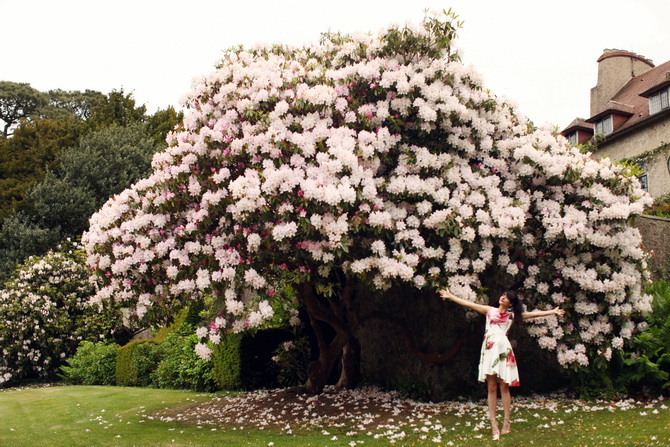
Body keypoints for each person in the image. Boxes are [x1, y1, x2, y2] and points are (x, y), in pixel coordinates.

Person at [439, 288, 565, 440]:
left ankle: (506, 422)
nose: (503, 298)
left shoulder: (512, 316)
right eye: (503, 295)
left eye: (507, 297)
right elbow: (469, 304)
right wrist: (450, 295)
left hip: (503, 350)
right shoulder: (489, 311)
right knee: (491, 387)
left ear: (511, 303)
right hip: (490, 350)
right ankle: (493, 423)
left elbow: (533, 314)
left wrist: (553, 311)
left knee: (504, 386)